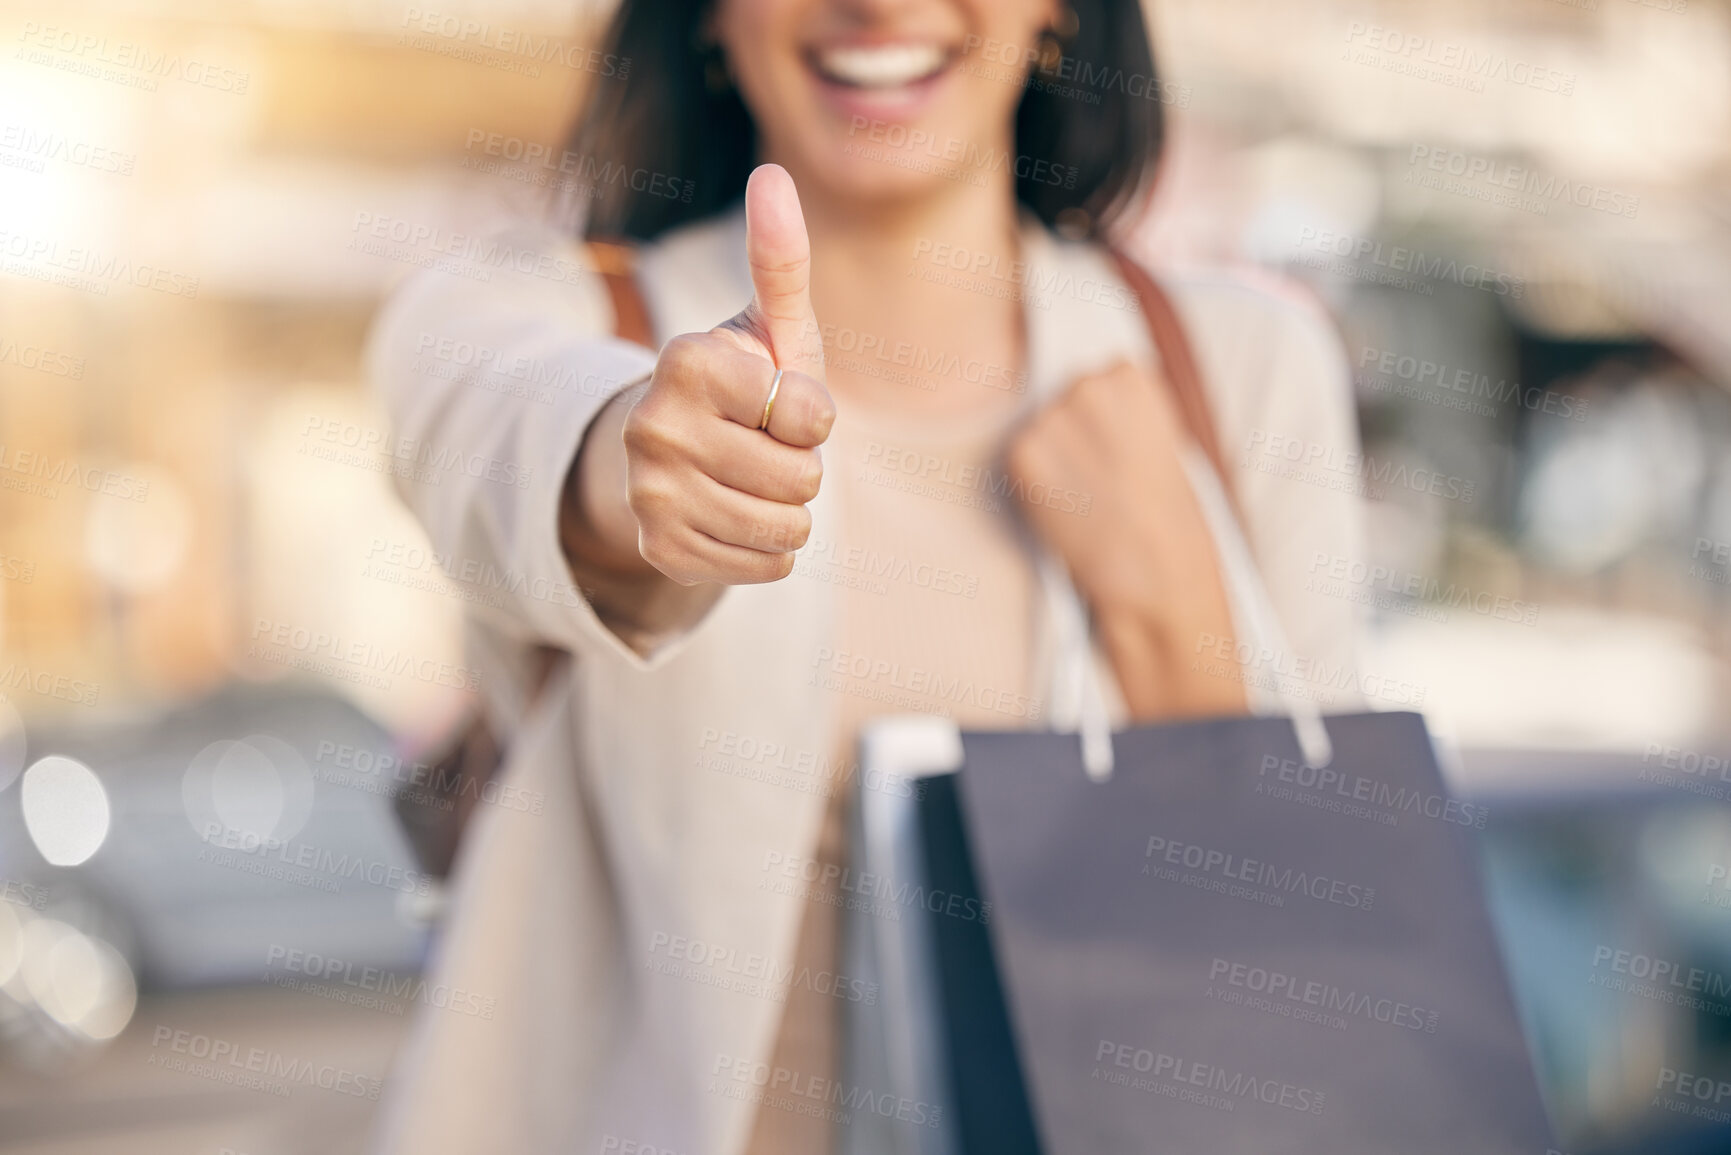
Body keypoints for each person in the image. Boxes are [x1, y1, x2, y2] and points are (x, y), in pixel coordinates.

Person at [366, 0, 1364, 1151]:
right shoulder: (550, 319)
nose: (880, 5)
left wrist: (1171, 617)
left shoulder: (1245, 373)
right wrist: (636, 460)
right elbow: (501, 434)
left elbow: (1315, 959)